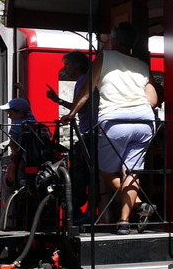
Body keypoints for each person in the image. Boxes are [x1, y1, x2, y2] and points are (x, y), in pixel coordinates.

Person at [62, 22, 157, 234]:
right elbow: (152, 100)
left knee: (106, 171)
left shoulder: (104, 57)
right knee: (131, 172)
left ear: (113, 41)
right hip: (144, 122)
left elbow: (87, 90)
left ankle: (138, 206)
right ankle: (125, 220)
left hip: (115, 122)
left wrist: (71, 114)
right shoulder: (142, 64)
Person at [47, 51, 94, 221]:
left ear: (77, 65)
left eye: (67, 64)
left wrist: (65, 108)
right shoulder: (84, 80)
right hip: (88, 130)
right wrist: (58, 100)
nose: (65, 68)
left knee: (87, 173)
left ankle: (87, 210)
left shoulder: (83, 80)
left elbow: (81, 106)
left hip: (89, 131)